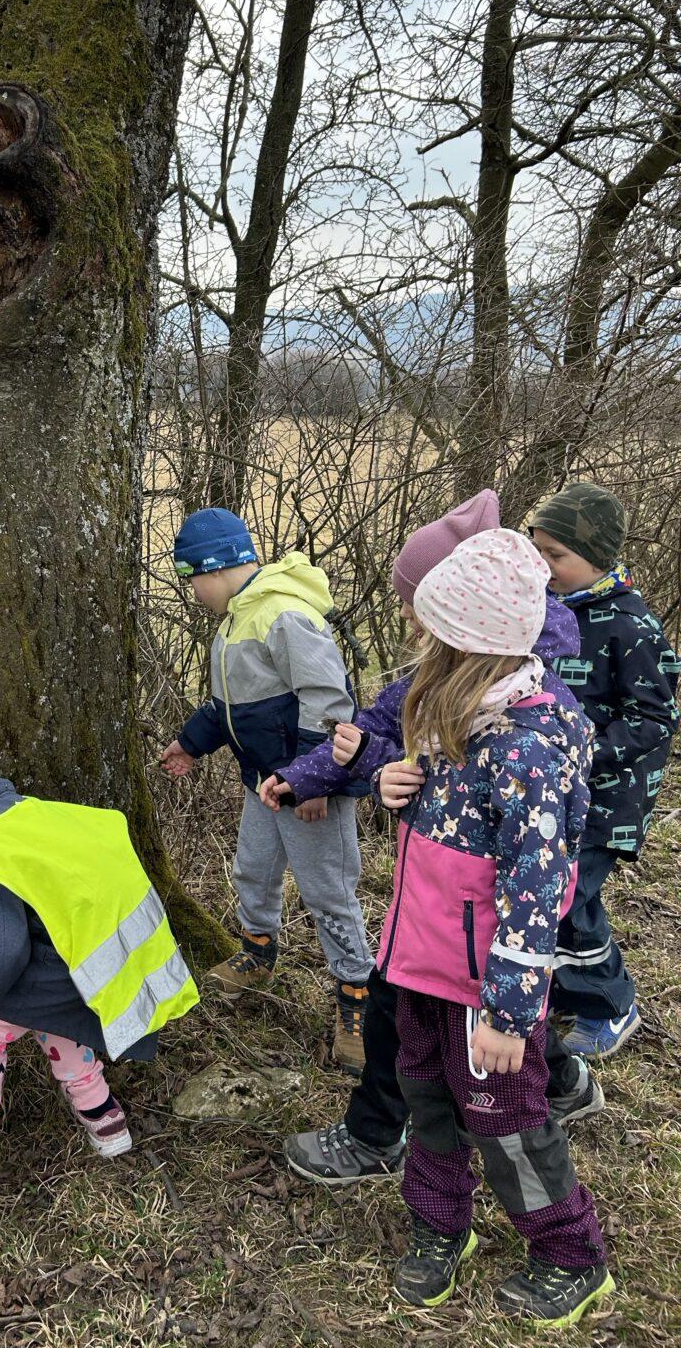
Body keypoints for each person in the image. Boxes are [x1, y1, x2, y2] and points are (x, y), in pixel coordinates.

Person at [284, 494, 604, 1188]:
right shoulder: (454, 683)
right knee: (424, 1030)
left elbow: (531, 846)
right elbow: (435, 773)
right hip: (430, 914)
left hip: (470, 924)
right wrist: (389, 780)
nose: (408, 621)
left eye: (419, 608)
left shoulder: (521, 715)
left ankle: (379, 1135)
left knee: (418, 1033)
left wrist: (514, 1004)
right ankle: (555, 1084)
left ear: (464, 618)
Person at [370, 528, 612, 1323]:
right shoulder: (456, 718)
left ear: (468, 647)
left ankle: (570, 1252)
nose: (417, 646)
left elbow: (536, 895)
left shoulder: (527, 750)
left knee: (505, 1119)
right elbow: (443, 829)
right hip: (420, 963)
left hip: (486, 986)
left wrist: (510, 1015)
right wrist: (395, 788)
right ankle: (441, 1225)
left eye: (431, 636)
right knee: (425, 1093)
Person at [0, 720, 198, 1226]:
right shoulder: (32, 817)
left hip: (36, 979)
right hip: (84, 982)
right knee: (54, 1019)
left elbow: (1, 954)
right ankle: (104, 1118)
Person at [159, 508, 374, 1072]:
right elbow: (230, 707)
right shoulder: (235, 619)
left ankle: (357, 999)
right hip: (264, 783)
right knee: (252, 868)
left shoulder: (282, 615)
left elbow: (328, 700)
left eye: (192, 579)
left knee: (328, 892)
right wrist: (190, 743)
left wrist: (315, 779)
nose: (193, 592)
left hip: (309, 791)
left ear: (215, 567)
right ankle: (258, 953)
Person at [531, 481, 680, 1058]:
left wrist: (582, 751)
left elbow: (655, 717)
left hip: (608, 800)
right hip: (554, 788)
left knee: (569, 896)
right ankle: (569, 985)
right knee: (548, 889)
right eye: (537, 550)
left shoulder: (630, 624)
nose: (544, 566)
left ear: (597, 556)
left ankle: (611, 1004)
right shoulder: (550, 612)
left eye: (556, 555)